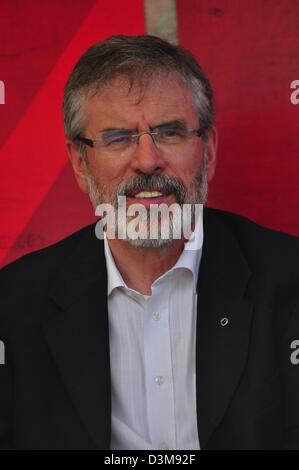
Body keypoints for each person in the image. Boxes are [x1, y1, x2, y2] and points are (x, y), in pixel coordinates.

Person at [0, 35, 299, 450]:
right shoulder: (13, 305)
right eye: (119, 137)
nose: (147, 159)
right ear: (79, 164)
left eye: (170, 132)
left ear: (208, 150)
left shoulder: (290, 281)